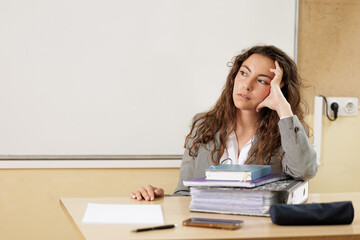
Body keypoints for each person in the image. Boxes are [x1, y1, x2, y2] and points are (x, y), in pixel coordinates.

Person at [130, 45, 317, 201]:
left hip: (260, 232)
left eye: (262, 80)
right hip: (207, 230)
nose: (247, 85)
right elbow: (185, 195)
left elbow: (304, 170)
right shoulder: (203, 126)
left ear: (278, 89)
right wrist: (156, 196)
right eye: (244, 73)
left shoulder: (287, 131)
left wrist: (283, 108)